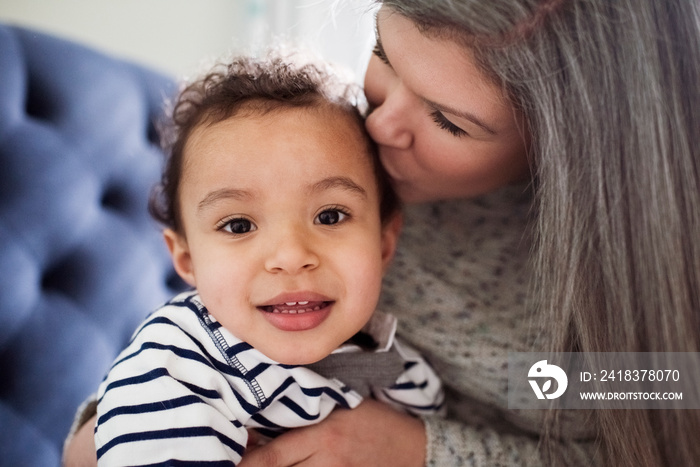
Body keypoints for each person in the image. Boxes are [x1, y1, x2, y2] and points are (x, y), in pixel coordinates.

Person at [65, 0, 700, 465]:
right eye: (382, 54)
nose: (380, 125)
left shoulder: (634, 293)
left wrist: (421, 452)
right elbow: (204, 342)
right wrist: (102, 429)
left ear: (565, 144)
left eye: (449, 121)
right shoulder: (339, 172)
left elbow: (657, 433)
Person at [90, 53, 444, 466]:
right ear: (187, 260)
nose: (292, 257)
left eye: (329, 216)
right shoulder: (175, 369)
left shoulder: (394, 363)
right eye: (239, 225)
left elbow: (524, 392)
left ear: (384, 245)